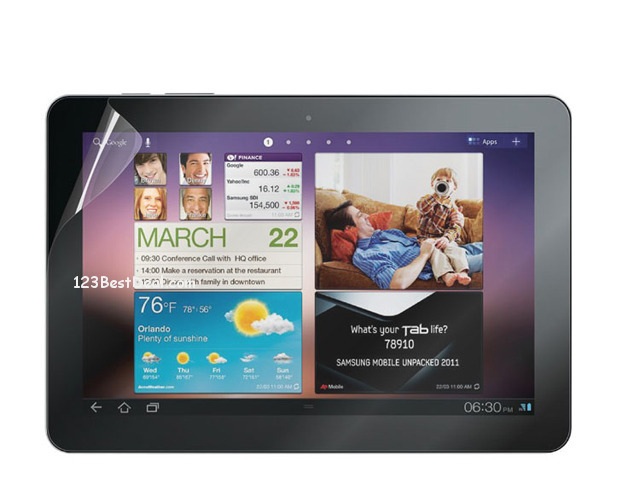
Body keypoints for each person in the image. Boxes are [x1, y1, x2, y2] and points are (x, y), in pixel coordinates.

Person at [325, 201, 482, 290]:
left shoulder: (385, 234)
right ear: (349, 228)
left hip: (453, 250)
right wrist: (424, 254)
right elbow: (397, 283)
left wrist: (454, 224)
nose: (367, 215)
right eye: (360, 216)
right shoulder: (365, 254)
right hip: (443, 264)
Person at [416, 167, 471, 286]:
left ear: (454, 187)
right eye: (439, 180)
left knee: (455, 249)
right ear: (432, 184)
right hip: (427, 239)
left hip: (444, 239)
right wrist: (437, 195)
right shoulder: (427, 199)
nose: (443, 182)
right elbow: (422, 206)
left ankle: (462, 272)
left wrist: (446, 238)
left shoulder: (453, 208)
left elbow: (455, 228)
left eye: (448, 181)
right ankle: (446, 275)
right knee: (435, 253)